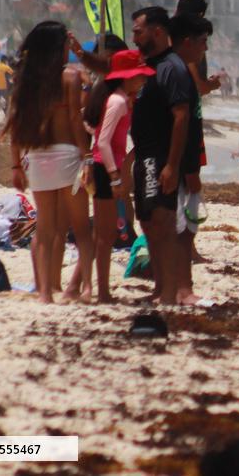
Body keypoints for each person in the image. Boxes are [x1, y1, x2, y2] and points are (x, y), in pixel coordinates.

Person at [3, 22, 94, 303]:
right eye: (66, 46)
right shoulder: (70, 77)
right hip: (67, 157)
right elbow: (76, 122)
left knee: (44, 228)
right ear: (58, 48)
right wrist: (87, 157)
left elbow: (15, 124)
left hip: (38, 158)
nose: (69, 51)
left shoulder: (27, 80)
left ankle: (44, 293)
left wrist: (16, 165)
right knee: (80, 228)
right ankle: (78, 288)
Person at [80, 50, 153, 303]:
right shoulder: (118, 102)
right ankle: (101, 292)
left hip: (105, 168)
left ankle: (85, 287)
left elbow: (91, 127)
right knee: (105, 235)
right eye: (139, 77)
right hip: (105, 170)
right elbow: (103, 141)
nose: (142, 81)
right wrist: (115, 176)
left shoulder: (119, 99)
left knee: (104, 233)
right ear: (127, 77)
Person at [130, 6, 192, 305]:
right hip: (144, 158)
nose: (133, 37)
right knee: (147, 223)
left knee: (162, 223)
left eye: (138, 31)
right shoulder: (148, 65)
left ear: (157, 31)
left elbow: (182, 117)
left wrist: (172, 165)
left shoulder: (171, 67)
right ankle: (159, 288)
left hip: (159, 158)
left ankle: (169, 293)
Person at [170, 13, 213, 303]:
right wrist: (185, 167)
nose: (205, 49)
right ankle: (182, 288)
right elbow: (180, 122)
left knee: (181, 226)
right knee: (182, 228)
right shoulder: (178, 71)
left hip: (181, 159)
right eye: (202, 42)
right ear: (188, 41)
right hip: (180, 161)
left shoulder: (175, 69)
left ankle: (173, 287)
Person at [175, 0, 221, 98]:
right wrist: (211, 85)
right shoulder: (188, 42)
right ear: (199, 14)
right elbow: (199, 87)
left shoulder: (169, 34)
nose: (206, 47)